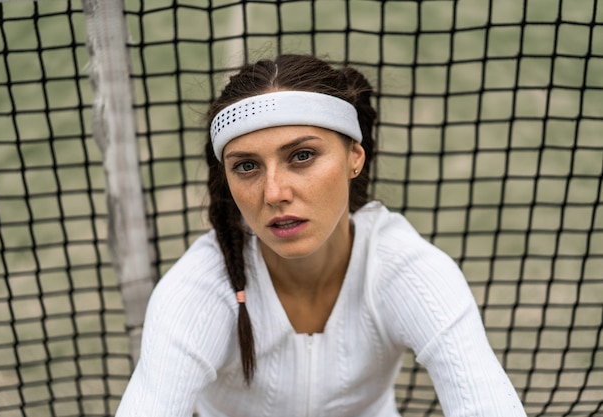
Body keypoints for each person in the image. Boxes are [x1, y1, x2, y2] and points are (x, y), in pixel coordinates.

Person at [115, 54, 527, 417]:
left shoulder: (406, 268)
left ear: (354, 157)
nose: (274, 193)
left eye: (302, 156)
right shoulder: (198, 291)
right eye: (246, 166)